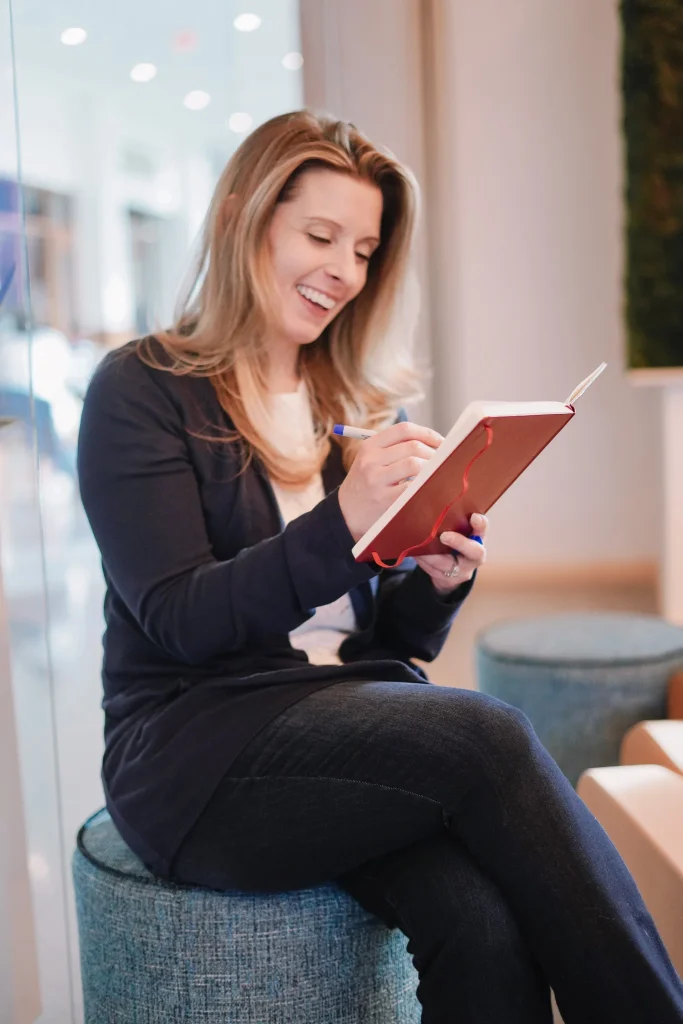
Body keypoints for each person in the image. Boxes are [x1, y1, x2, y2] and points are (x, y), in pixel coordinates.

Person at [77, 110, 683, 1024]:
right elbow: (181, 618)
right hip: (196, 756)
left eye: (361, 249)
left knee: (478, 923)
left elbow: (381, 641)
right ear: (244, 215)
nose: (342, 271)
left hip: (334, 724)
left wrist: (435, 579)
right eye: (318, 235)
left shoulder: (344, 404)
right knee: (488, 735)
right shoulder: (142, 390)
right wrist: (343, 517)